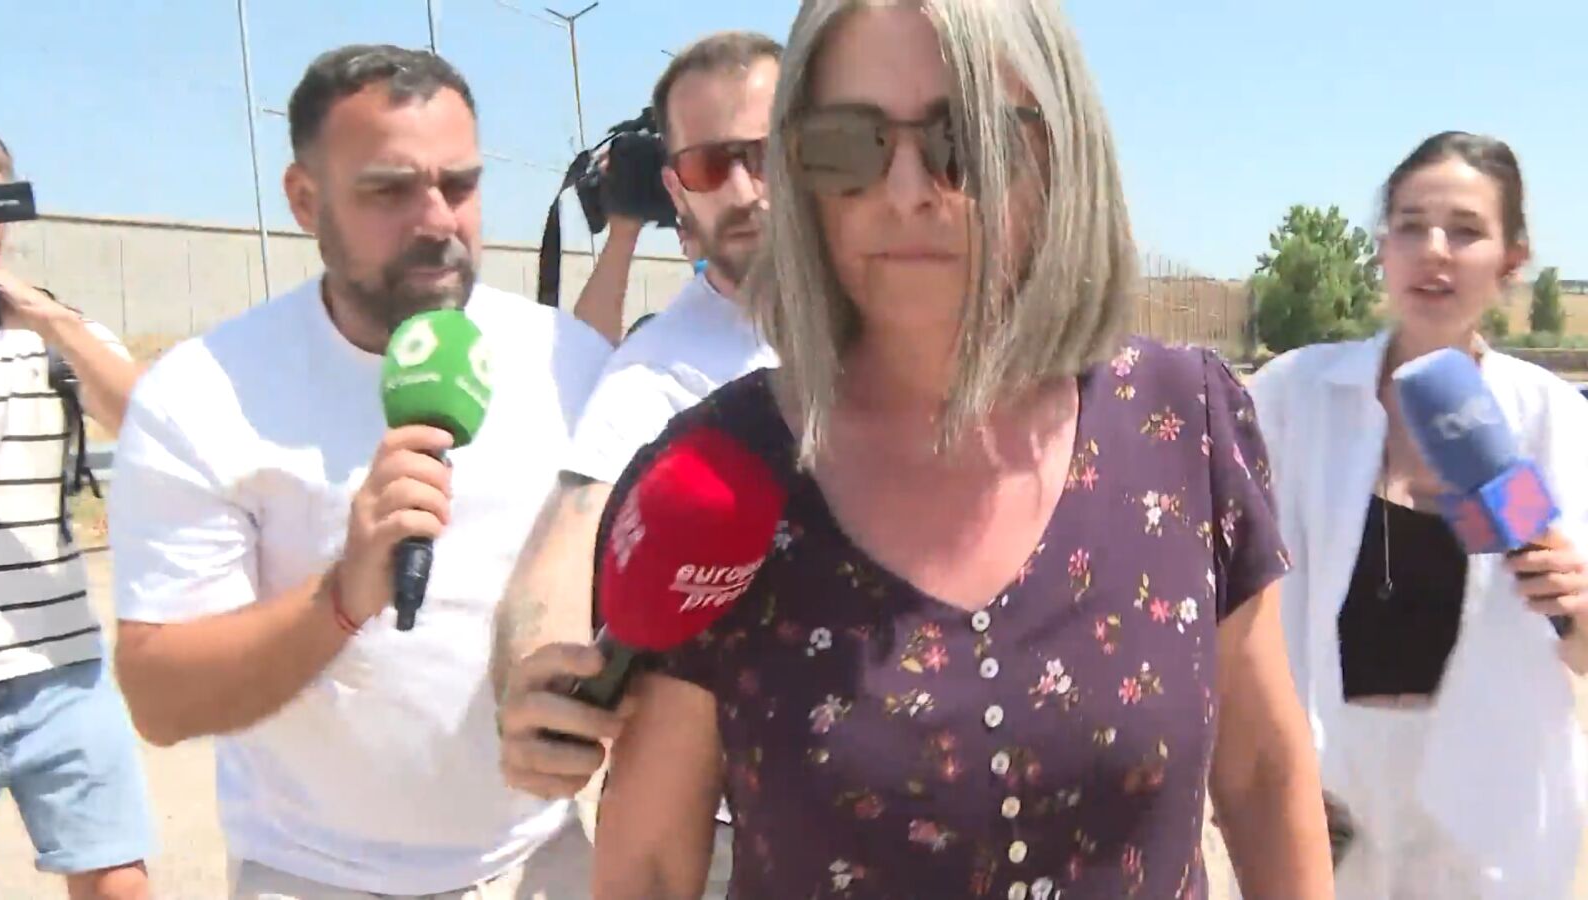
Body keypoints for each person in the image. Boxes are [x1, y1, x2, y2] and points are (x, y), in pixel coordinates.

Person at [512, 2, 1334, 897]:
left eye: (966, 140)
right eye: (848, 145)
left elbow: (1263, 774)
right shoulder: (721, 474)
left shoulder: (1181, 422)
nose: (906, 191)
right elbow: (650, 867)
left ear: (1062, 154)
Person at [106, 45, 610, 898]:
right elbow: (161, 700)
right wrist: (341, 595)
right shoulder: (203, 396)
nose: (438, 219)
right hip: (314, 875)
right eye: (389, 190)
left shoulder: (571, 361)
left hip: (542, 863)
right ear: (305, 201)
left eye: (460, 184)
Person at [1248, 131, 1588, 898]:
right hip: (1325, 811)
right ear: (1383, 248)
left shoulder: (1554, 423)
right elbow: (1234, 603)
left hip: (1487, 821)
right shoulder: (1293, 399)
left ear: (1511, 261)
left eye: (1465, 231)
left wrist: (1577, 601)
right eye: (1411, 226)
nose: (1434, 250)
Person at [491, 31, 781, 899]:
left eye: (766, 155)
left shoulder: (897, 303)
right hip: (745, 836)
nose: (745, 190)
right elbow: (573, 526)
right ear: (675, 192)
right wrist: (539, 681)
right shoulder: (661, 373)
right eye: (709, 166)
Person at [0, 126, 153, 900]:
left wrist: (49, 321)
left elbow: (153, 425)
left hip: (61, 671)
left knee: (120, 881)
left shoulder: (57, 332)